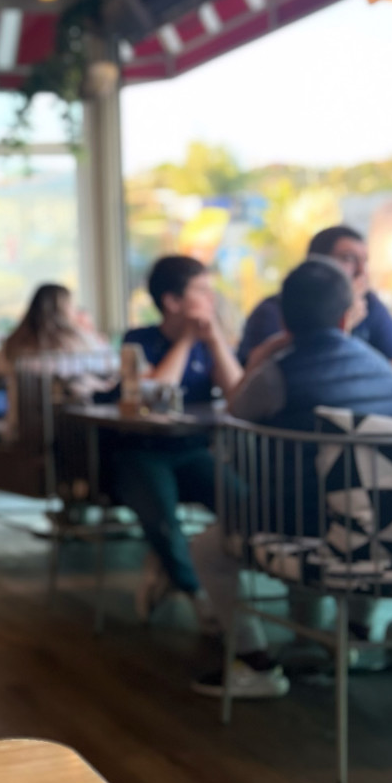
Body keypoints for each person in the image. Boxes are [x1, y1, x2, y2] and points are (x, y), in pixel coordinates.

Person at [190, 256, 392, 699]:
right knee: (367, 509)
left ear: (284, 320)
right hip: (380, 522)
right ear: (346, 316)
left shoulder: (276, 373)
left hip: (296, 522)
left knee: (206, 549)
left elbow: (234, 417)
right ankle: (354, 636)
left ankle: (255, 662)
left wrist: (261, 356)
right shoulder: (384, 371)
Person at [107, 256, 243, 622]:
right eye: (202, 290)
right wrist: (186, 340)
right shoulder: (139, 340)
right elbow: (153, 392)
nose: (211, 298)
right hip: (142, 452)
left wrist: (215, 341)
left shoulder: (208, 342)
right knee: (164, 522)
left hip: (192, 450)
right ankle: (194, 592)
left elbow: (238, 394)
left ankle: (187, 569)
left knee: (244, 505)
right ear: (172, 301)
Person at [238, 225, 392, 371]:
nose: (361, 272)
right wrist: (336, 331)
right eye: (348, 259)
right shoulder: (276, 309)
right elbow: (251, 376)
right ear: (316, 264)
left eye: (365, 261)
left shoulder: (370, 304)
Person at [0, 284, 106, 420]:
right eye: (72, 305)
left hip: (23, 423)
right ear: (65, 308)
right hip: (74, 423)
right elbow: (104, 370)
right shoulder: (79, 341)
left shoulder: (15, 342)